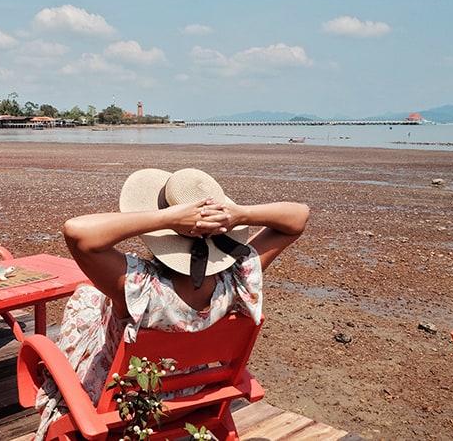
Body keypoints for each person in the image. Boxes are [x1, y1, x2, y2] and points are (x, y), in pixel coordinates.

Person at [33, 168, 310, 439]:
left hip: (124, 406)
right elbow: (299, 216)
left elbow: (76, 231)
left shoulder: (142, 288)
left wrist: (165, 218)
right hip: (196, 397)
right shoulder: (238, 279)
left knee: (87, 298)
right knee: (90, 296)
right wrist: (240, 214)